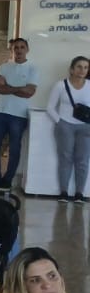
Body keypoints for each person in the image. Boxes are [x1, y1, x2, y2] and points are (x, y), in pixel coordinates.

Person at [0, 38, 38, 188]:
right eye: (16, 47)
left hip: (19, 115)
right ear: (12, 50)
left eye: (22, 47)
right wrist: (20, 88)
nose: (19, 50)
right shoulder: (3, 67)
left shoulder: (32, 68)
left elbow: (29, 93)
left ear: (27, 49)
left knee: (14, 148)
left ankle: (8, 180)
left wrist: (8, 87)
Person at [47, 56, 90, 203]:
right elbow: (50, 107)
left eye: (85, 67)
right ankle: (63, 192)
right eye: (79, 67)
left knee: (83, 160)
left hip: (85, 128)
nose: (82, 70)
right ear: (72, 69)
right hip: (65, 126)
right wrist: (60, 122)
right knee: (65, 158)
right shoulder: (61, 85)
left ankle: (79, 193)